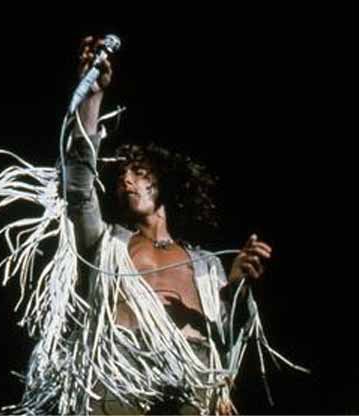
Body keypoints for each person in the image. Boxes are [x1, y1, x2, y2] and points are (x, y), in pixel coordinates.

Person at [58, 35, 272, 415]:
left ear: (162, 183)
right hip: (122, 369)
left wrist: (235, 286)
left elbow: (223, 329)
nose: (127, 182)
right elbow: (77, 184)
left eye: (137, 173)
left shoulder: (205, 263)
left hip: (191, 369)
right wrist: (91, 101)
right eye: (121, 179)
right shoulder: (105, 242)